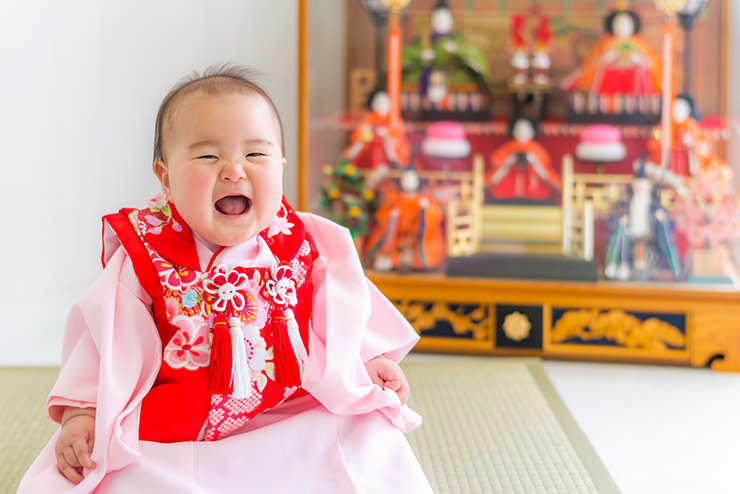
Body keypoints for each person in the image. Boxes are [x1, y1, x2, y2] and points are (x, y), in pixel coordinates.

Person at [18, 65, 433, 493]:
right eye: (207, 156)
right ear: (166, 179)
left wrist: (368, 360)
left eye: (256, 155)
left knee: (367, 432)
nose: (234, 170)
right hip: (178, 436)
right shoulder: (148, 256)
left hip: (282, 416)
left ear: (281, 166)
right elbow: (106, 341)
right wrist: (82, 414)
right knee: (115, 468)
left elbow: (343, 312)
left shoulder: (301, 244)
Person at [485, 115, 561, 202]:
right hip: (508, 184)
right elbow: (496, 163)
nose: (521, 133)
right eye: (518, 130)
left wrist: (534, 162)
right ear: (513, 131)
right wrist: (508, 162)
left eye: (525, 130)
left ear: (532, 132)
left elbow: (545, 169)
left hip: (534, 186)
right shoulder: (507, 148)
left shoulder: (536, 149)